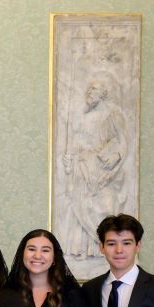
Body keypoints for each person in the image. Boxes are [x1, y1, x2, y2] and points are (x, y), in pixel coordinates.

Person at [61, 72, 129, 258]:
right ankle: (82, 249)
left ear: (103, 93)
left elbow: (122, 141)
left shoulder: (112, 114)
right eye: (88, 88)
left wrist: (115, 155)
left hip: (100, 168)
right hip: (82, 168)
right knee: (79, 206)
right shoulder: (84, 116)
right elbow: (79, 143)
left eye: (94, 89)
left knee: (100, 208)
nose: (89, 92)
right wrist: (70, 159)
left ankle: (101, 248)